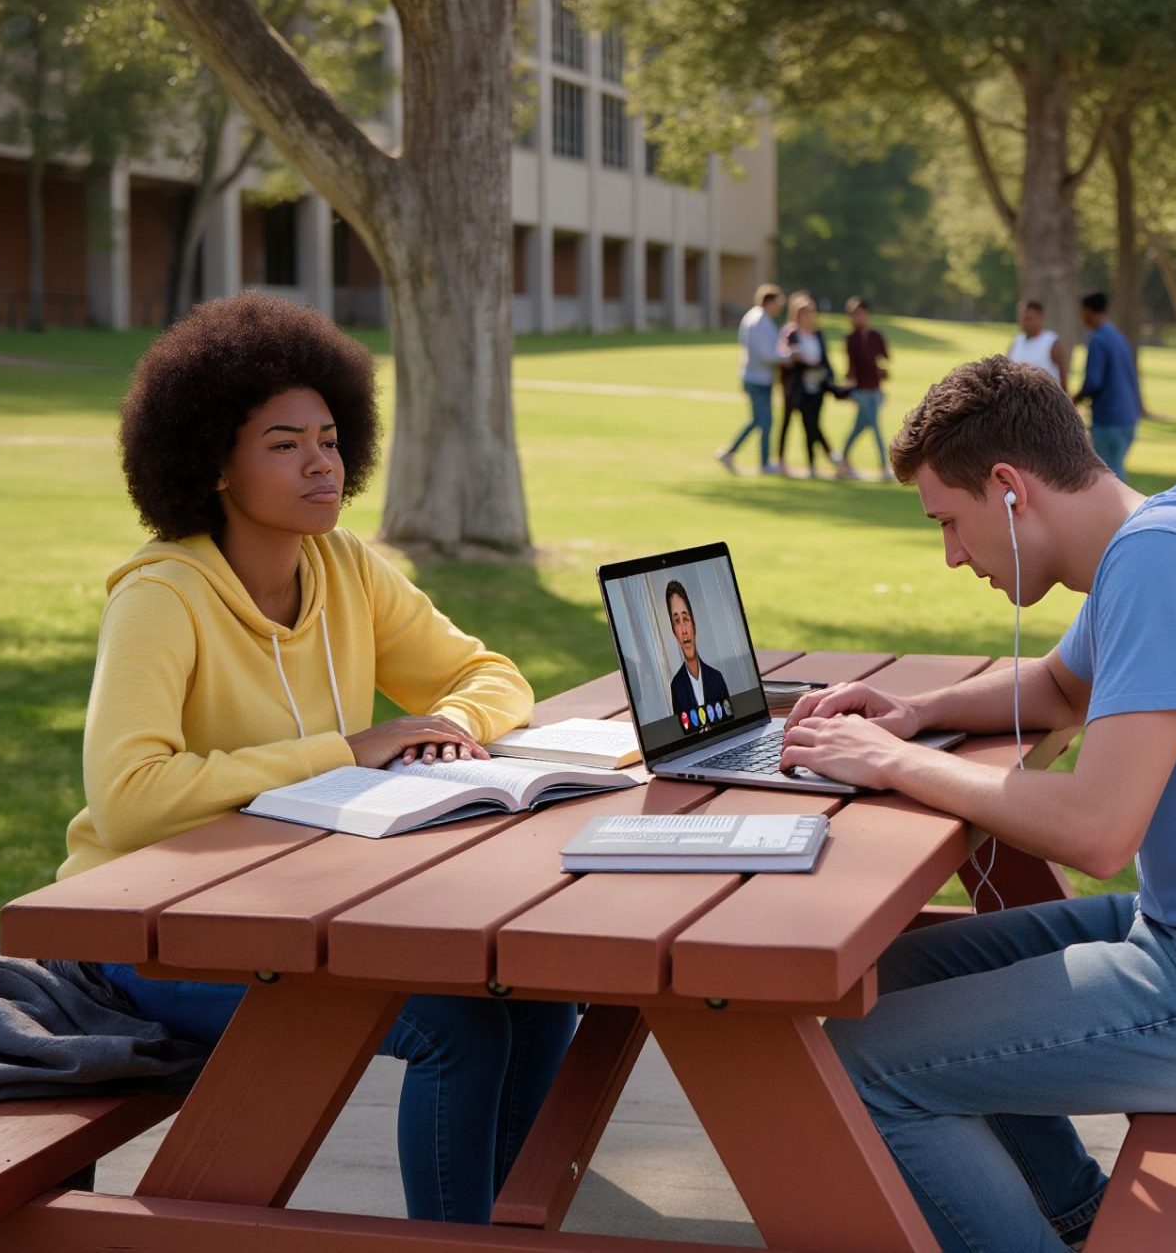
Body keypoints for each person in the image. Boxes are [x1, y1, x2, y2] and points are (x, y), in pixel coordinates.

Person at [778, 357, 1176, 1252]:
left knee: (853, 1062)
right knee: (879, 983)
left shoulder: (1156, 564)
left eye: (949, 524)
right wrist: (917, 714)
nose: (952, 554)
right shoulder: (1171, 527)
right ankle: (1075, 1213)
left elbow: (1098, 831)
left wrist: (893, 764)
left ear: (1008, 490)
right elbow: (1062, 691)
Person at [69, 294, 574, 1225]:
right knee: (457, 1027)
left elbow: (491, 675)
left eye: (332, 439)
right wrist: (348, 749)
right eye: (283, 443)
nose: (321, 464)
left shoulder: (343, 566)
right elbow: (132, 800)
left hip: (291, 905)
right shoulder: (162, 597)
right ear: (214, 462)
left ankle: (503, 1230)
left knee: (541, 997)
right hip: (143, 932)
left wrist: (446, 724)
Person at [1073, 292, 1142, 481]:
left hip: (1109, 419)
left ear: (1088, 311)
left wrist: (1072, 401)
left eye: (1082, 312)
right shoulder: (1118, 336)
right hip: (1128, 417)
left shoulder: (1098, 340)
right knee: (1116, 470)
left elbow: (1094, 382)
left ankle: (1126, 512)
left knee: (1109, 477)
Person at [718, 285, 787, 475]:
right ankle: (763, 463)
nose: (779, 308)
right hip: (759, 378)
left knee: (758, 420)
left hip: (753, 376)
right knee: (765, 422)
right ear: (769, 302)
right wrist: (788, 357)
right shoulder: (761, 321)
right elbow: (767, 355)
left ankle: (730, 453)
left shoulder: (753, 318)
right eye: (778, 303)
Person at [778, 291, 840, 477]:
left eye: (810, 313)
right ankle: (780, 460)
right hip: (797, 386)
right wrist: (797, 357)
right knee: (787, 423)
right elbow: (784, 356)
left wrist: (828, 375)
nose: (808, 317)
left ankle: (813, 464)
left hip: (816, 386)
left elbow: (825, 359)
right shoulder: (791, 334)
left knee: (811, 425)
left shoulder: (817, 335)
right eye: (804, 313)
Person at [841, 297, 892, 479]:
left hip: (875, 389)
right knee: (875, 426)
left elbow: (885, 357)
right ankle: (884, 465)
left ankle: (842, 458)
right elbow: (851, 366)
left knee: (859, 427)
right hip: (861, 390)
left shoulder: (875, 336)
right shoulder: (851, 339)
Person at [664, 580, 733, 715]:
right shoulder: (676, 686)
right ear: (674, 632)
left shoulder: (716, 678)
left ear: (693, 624)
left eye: (686, 618)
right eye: (677, 621)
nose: (684, 630)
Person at [1006, 300, 1071, 385]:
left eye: (1029, 319)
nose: (1025, 322)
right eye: (1023, 318)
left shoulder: (1051, 342)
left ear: (1040, 318)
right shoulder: (1017, 340)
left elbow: (1063, 375)